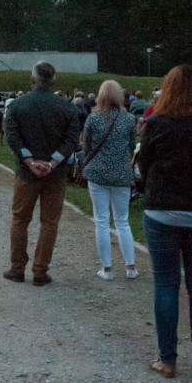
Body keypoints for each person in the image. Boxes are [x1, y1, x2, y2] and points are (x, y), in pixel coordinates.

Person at [138, 64, 192, 380]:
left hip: (163, 210)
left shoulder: (156, 124)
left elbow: (144, 166)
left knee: (166, 284)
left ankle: (168, 359)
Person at [3, 61, 81, 286]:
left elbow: (12, 137)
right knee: (49, 222)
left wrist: (29, 161)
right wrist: (52, 163)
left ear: (33, 79)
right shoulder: (67, 107)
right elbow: (71, 140)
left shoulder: (17, 106)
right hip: (55, 175)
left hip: (26, 174)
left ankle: (17, 268)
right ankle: (40, 271)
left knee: (20, 219)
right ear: (53, 80)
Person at [81, 80, 138, 281]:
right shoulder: (129, 119)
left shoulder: (93, 118)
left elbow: (86, 146)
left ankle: (107, 269)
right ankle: (131, 266)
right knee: (123, 221)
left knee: (102, 220)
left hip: (97, 173)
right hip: (121, 174)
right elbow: (131, 145)